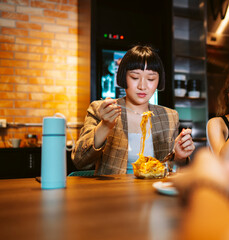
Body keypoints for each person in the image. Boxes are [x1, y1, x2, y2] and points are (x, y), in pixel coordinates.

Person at [72, 45, 195, 175]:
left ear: (159, 80)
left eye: (151, 79)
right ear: (123, 77)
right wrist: (105, 125)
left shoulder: (169, 116)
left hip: (154, 192)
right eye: (135, 77)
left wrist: (179, 157)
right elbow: (80, 162)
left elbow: (169, 170)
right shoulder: (101, 109)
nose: (142, 86)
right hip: (113, 192)